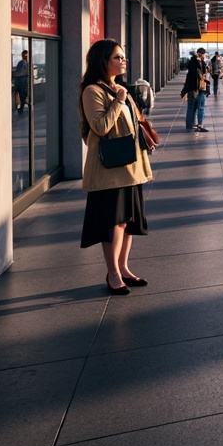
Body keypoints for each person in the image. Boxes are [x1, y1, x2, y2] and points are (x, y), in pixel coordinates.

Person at [79, 38, 155, 295]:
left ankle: (124, 268)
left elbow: (132, 124)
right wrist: (119, 101)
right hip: (109, 170)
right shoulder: (93, 91)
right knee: (114, 224)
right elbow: (99, 127)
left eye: (123, 57)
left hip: (130, 167)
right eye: (118, 57)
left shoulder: (116, 87)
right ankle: (112, 273)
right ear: (103, 61)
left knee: (128, 222)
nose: (123, 61)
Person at [180, 47, 209, 132]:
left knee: (190, 108)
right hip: (199, 88)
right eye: (204, 54)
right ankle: (199, 125)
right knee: (200, 107)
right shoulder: (199, 63)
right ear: (201, 54)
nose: (205, 56)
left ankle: (189, 125)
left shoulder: (191, 63)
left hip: (191, 88)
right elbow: (202, 75)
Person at [12, 49, 31, 114]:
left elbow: (19, 72)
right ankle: (22, 107)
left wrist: (12, 73)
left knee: (20, 94)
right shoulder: (27, 63)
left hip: (20, 81)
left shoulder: (22, 62)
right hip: (23, 81)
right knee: (23, 95)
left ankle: (21, 108)